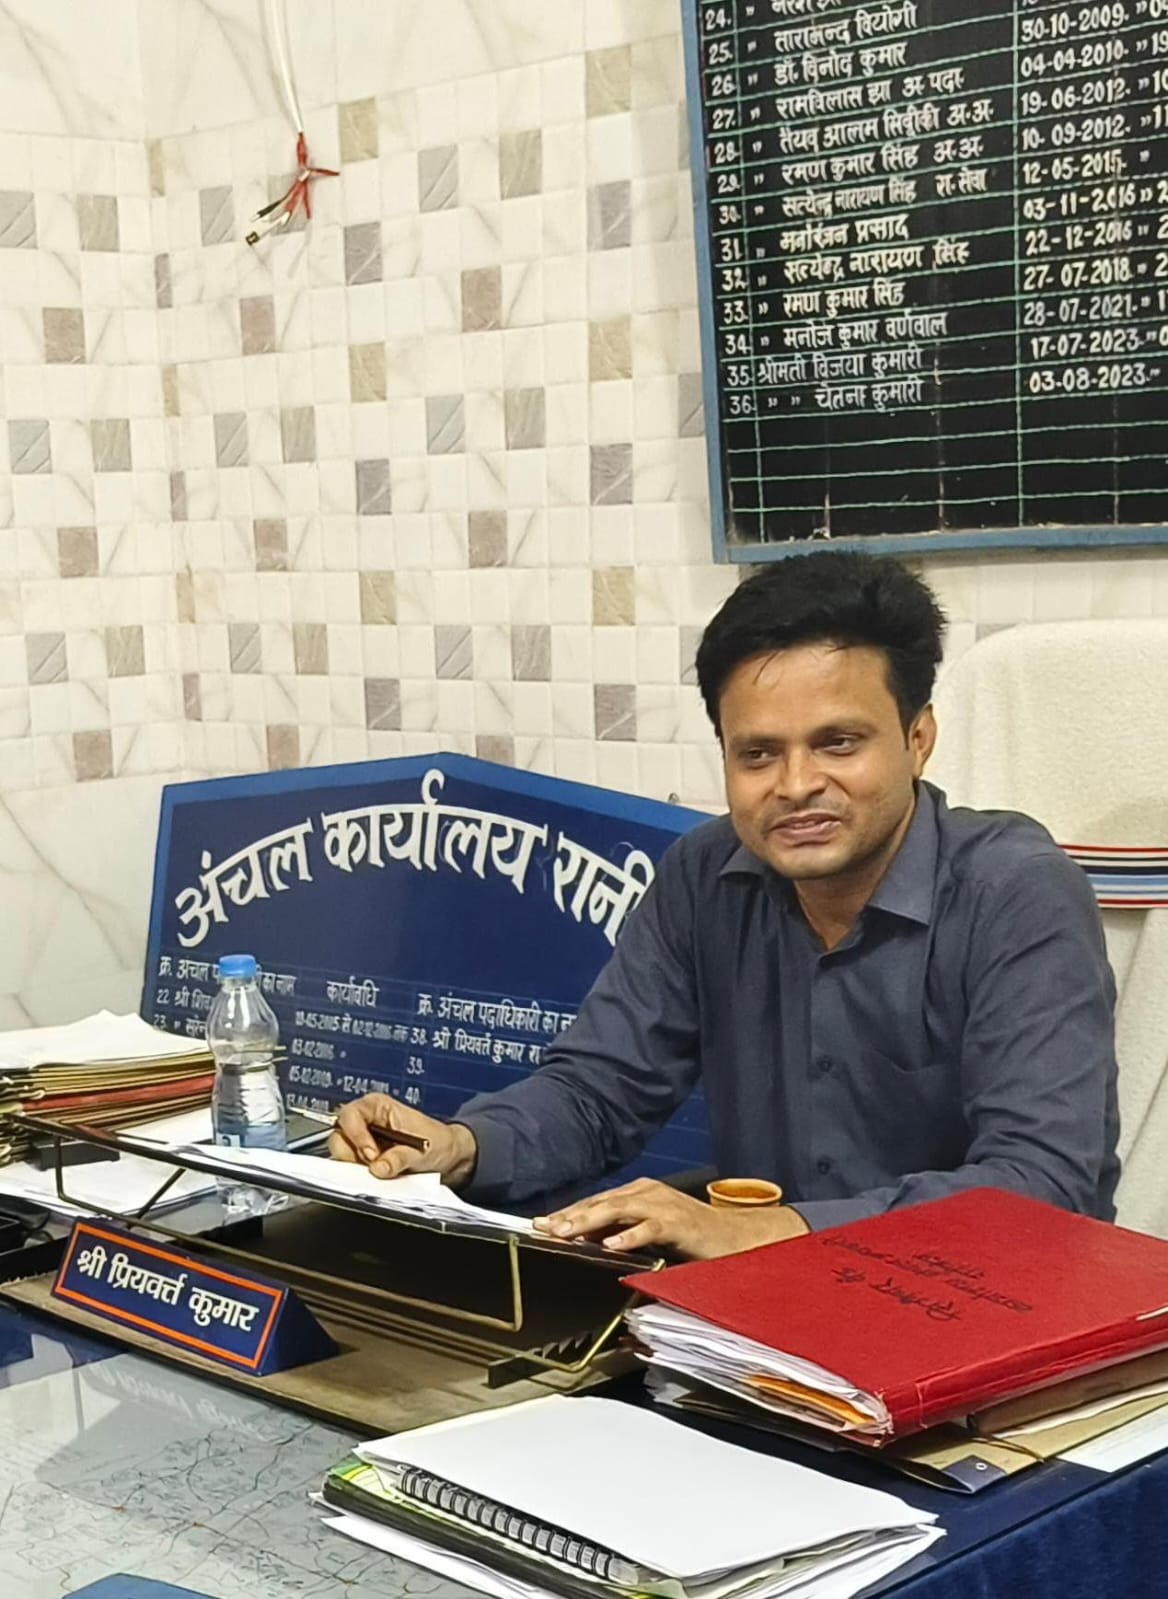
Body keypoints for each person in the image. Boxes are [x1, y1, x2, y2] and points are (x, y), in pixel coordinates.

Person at [330, 552, 1119, 1260]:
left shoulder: (1017, 891)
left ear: (918, 739)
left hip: (985, 1317)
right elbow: (598, 1093)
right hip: (752, 1326)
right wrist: (460, 1145)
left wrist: (769, 1229)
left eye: (839, 743)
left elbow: (1043, 1184)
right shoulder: (704, 874)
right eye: (758, 753)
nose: (797, 784)